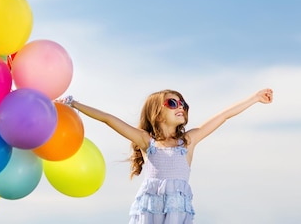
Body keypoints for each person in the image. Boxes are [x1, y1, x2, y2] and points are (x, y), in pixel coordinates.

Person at [59, 88, 273, 223]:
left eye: (182, 104)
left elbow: (224, 116)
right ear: (156, 113)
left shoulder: (188, 141)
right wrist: (74, 103)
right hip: (149, 212)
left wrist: (254, 98)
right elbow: (108, 119)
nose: (180, 107)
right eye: (172, 103)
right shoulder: (147, 142)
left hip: (176, 214)